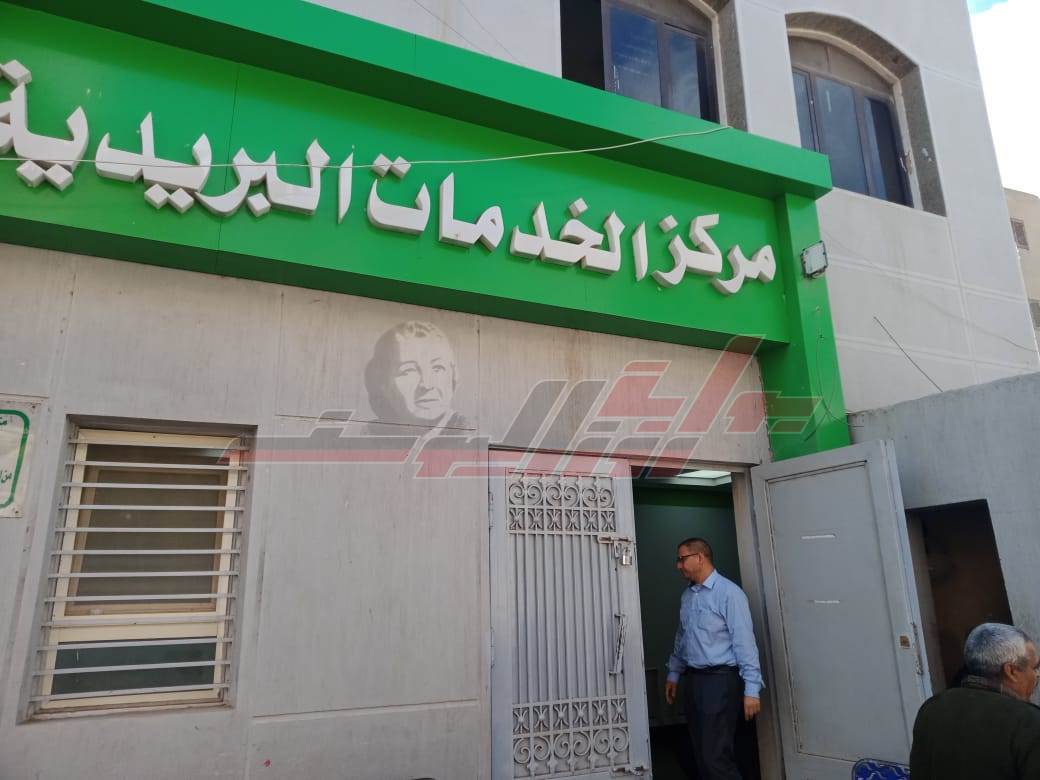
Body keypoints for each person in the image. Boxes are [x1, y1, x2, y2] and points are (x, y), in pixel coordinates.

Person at [665, 537, 763, 780]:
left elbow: (744, 642)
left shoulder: (729, 594)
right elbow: (683, 637)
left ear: (699, 558)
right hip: (694, 681)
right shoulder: (688, 596)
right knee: (699, 753)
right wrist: (674, 673)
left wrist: (752, 689)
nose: (678, 565)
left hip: (720, 682)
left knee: (715, 757)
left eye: (681, 559)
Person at [910, 622, 1040, 779]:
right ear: (1011, 671)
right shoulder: (1028, 722)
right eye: (1035, 668)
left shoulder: (931, 708)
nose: (1037, 675)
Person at [363, 321, 469, 433]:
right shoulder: (370, 435)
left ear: (454, 375)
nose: (427, 385)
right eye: (409, 371)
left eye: (437, 368)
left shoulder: (466, 432)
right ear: (382, 383)